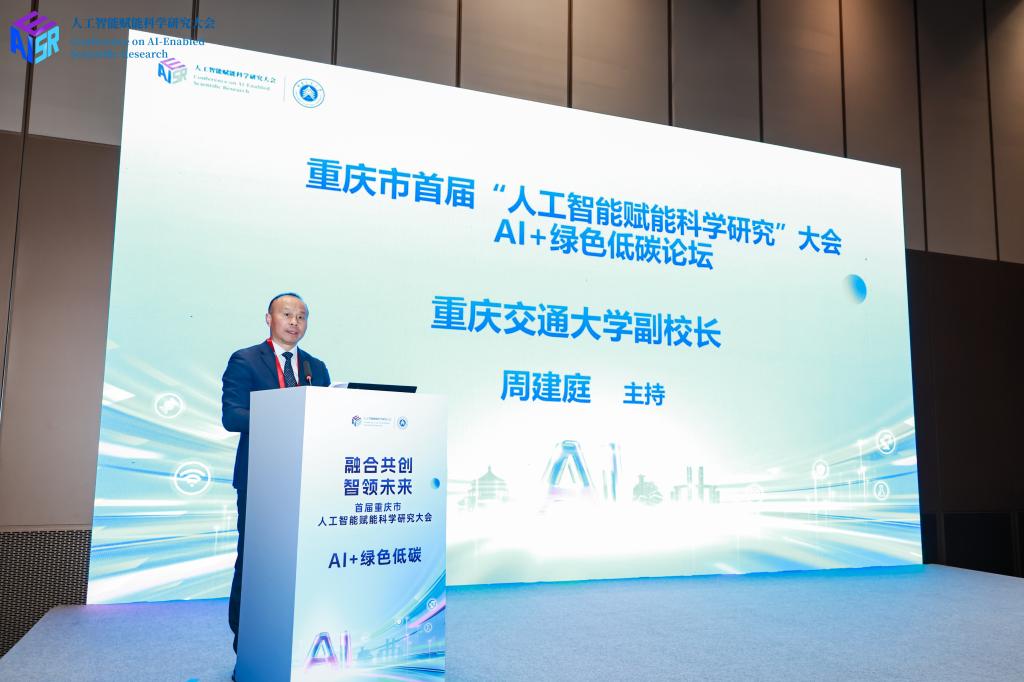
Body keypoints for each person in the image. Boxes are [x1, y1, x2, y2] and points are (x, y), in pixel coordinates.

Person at [221, 292, 331, 660]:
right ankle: (247, 650)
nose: (294, 322)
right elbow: (232, 416)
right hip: (261, 481)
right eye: (287, 314)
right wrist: (286, 417)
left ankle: (297, 648)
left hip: (306, 481)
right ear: (268, 318)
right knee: (256, 564)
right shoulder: (246, 360)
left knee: (299, 565)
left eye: (302, 316)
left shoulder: (316, 367)